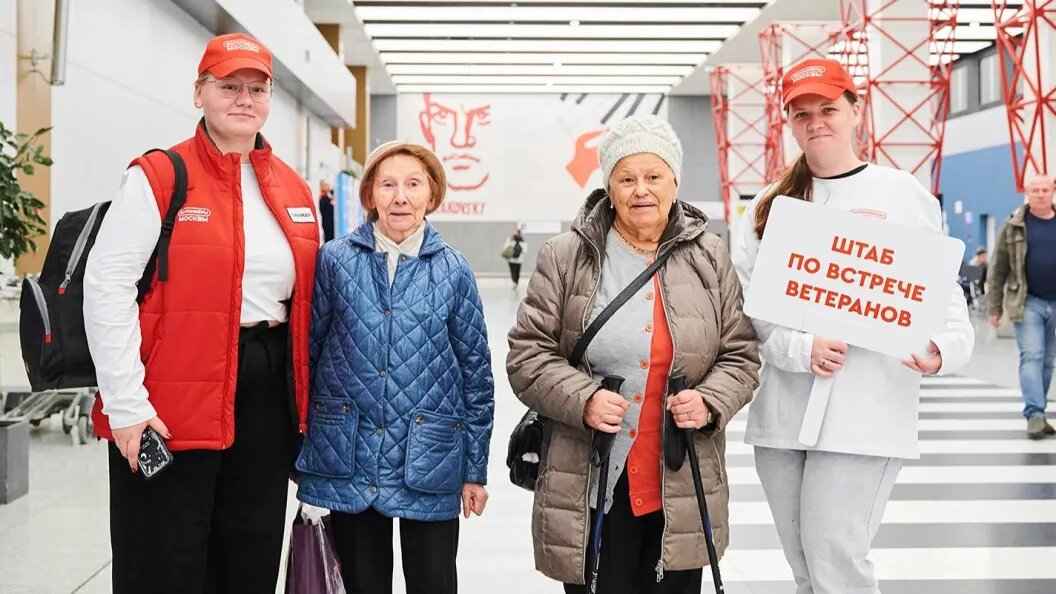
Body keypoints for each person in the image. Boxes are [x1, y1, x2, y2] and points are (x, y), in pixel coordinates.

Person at [83, 33, 319, 594]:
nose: (244, 99)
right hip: (168, 401)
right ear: (199, 93)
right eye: (228, 86)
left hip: (264, 398)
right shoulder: (159, 176)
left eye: (257, 89)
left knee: (249, 556)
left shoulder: (292, 188)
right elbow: (107, 287)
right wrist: (126, 405)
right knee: (163, 561)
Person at [730, 58, 975, 594]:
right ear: (789, 122)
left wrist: (943, 346)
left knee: (836, 562)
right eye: (802, 114)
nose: (815, 122)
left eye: (828, 109)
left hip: (867, 410)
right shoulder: (769, 206)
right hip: (784, 416)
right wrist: (801, 348)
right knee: (805, 569)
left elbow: (940, 290)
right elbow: (749, 310)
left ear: (856, 111)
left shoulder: (900, 194)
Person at [507, 114, 761, 593]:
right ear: (609, 187)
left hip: (682, 480)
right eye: (626, 178)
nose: (641, 190)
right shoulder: (566, 256)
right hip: (593, 478)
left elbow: (740, 354)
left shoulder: (710, 256)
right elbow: (527, 355)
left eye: (653, 176)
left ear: (675, 183)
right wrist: (583, 398)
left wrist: (710, 400)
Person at [295, 141, 495, 594]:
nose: (400, 197)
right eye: (387, 185)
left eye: (413, 184)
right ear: (370, 194)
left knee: (433, 582)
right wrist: (302, 447)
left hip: (430, 455)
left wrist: (474, 469)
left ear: (432, 194)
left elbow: (476, 376)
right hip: (349, 453)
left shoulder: (454, 270)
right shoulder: (334, 260)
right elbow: (308, 355)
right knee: (362, 582)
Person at [987, 174, 1056, 439]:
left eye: (1044, 190)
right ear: (1027, 193)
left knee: (1047, 362)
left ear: (1052, 191)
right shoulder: (1013, 226)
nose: (1040, 194)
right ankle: (1035, 414)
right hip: (1027, 302)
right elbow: (998, 269)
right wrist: (994, 307)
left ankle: (1040, 411)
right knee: (1032, 356)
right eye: (1035, 190)